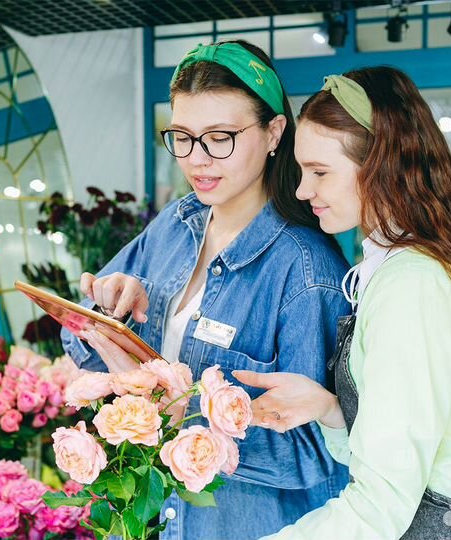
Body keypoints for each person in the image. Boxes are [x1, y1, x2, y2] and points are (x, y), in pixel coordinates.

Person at [235, 66, 451, 539]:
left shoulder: (413, 283)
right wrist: (331, 409)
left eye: (320, 171)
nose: (303, 190)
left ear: (381, 166)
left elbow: (379, 507)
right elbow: (433, 449)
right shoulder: (430, 264)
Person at [61, 40, 350, 539]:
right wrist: (111, 309)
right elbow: (81, 349)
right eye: (183, 137)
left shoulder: (305, 272)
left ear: (274, 132)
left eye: (220, 137)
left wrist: (177, 410)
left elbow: (315, 452)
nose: (198, 160)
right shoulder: (175, 225)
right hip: (157, 521)